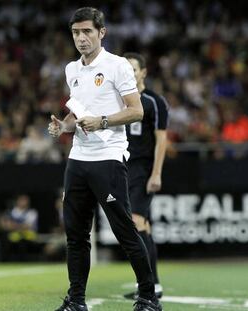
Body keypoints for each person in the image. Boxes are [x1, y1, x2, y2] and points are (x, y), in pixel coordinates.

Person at [48, 7, 161, 311]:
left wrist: (103, 121)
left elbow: (136, 110)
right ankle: (77, 301)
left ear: (101, 33)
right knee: (75, 235)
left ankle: (149, 297)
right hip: (78, 158)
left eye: (87, 32)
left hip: (109, 156)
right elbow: (79, 112)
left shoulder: (118, 65)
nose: (81, 38)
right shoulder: (72, 69)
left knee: (125, 231)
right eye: (76, 32)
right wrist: (64, 125)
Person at [123, 53, 169, 300]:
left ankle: (147, 287)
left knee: (136, 223)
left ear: (143, 73)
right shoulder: (120, 101)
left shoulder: (154, 101)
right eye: (125, 68)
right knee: (144, 227)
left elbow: (162, 139)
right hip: (123, 169)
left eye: (133, 69)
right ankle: (154, 285)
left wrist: (157, 173)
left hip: (143, 170)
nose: (129, 72)